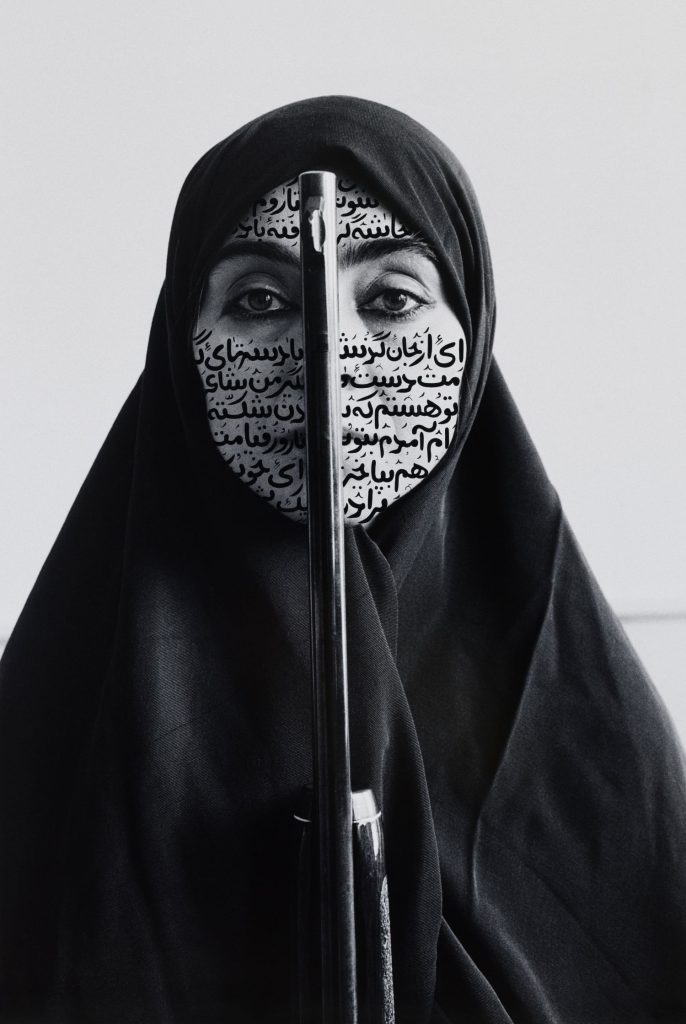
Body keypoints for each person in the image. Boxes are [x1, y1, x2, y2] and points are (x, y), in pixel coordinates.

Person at [0, 96, 684, 1024]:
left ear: (472, 327)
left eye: (392, 299)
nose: (326, 353)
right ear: (183, 340)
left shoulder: (590, 731)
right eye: (258, 301)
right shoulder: (63, 715)